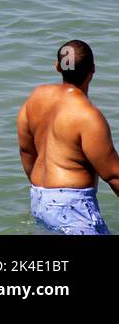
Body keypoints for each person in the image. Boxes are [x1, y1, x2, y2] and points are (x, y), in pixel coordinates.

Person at [16, 40, 119, 235]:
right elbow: (114, 176)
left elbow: (26, 150)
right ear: (93, 69)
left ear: (57, 67)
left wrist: (45, 190)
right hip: (73, 208)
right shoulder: (87, 116)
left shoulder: (35, 98)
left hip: (39, 199)